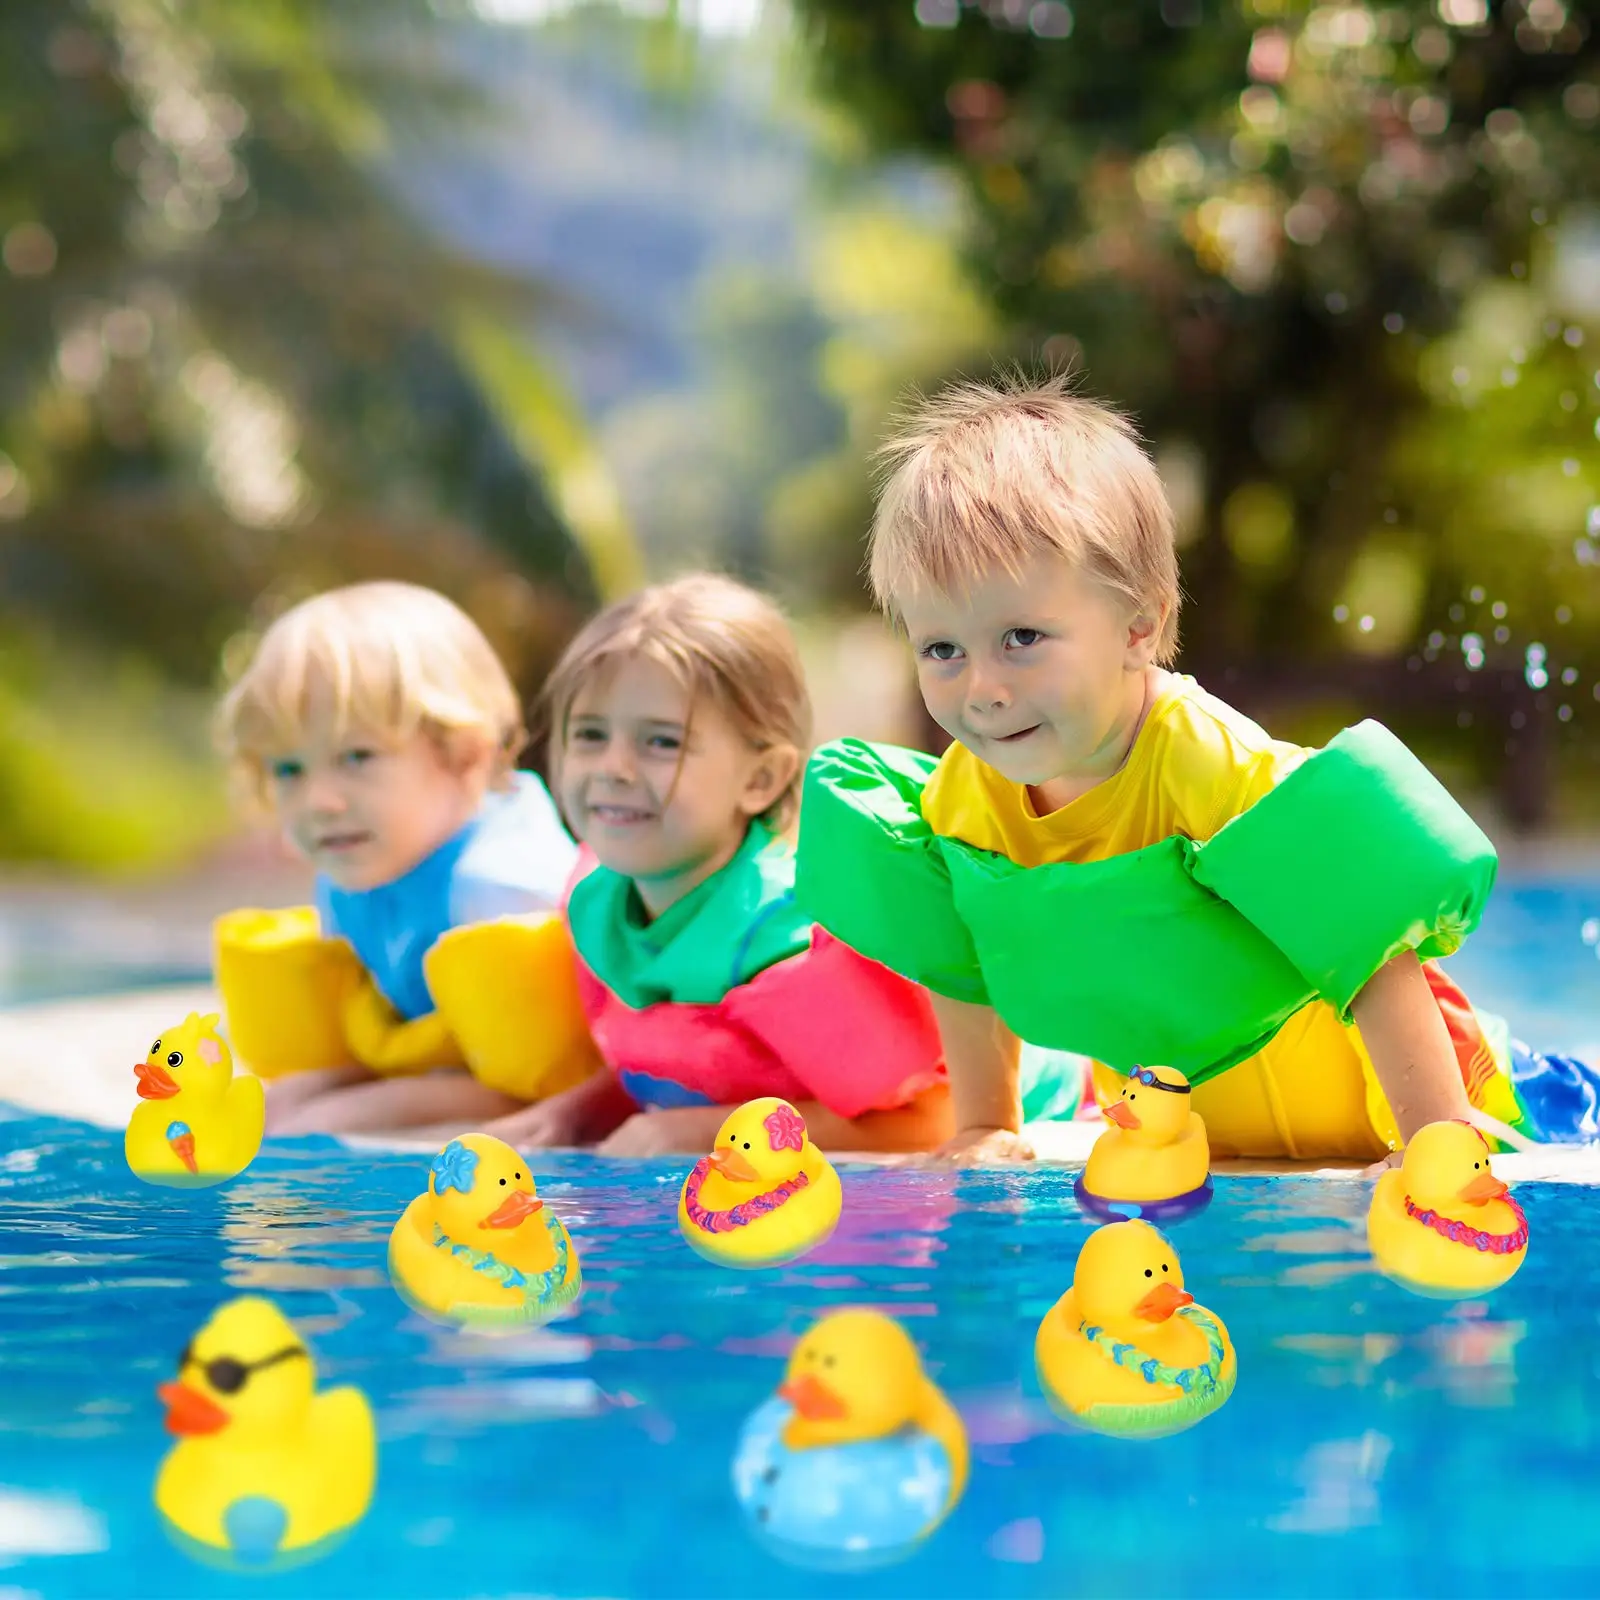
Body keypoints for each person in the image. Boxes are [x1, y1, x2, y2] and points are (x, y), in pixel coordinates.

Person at [796, 372, 1599, 1165]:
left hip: (1455, 1092)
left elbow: (1372, 941)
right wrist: (985, 1124)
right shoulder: (964, 800)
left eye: (1022, 639)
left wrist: (1438, 1138)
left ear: (1139, 627)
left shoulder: (1207, 761)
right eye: (943, 649)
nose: (983, 690)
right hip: (1206, 1141)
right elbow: (959, 958)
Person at [483, 572, 967, 1157]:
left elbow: (931, 1121)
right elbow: (687, 1054)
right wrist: (574, 1112)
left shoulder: (795, 945)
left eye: (662, 742)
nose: (613, 767)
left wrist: (699, 1133)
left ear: (761, 778)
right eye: (589, 734)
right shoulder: (601, 900)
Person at [213, 581, 590, 1136]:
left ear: (464, 752)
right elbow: (389, 1042)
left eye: (357, 756)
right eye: (289, 769)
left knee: (313, 1128)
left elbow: (556, 1083)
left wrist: (348, 1109)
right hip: (465, 1066)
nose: (320, 801)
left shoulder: (499, 885)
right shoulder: (353, 865)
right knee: (274, 1108)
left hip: (539, 1089)